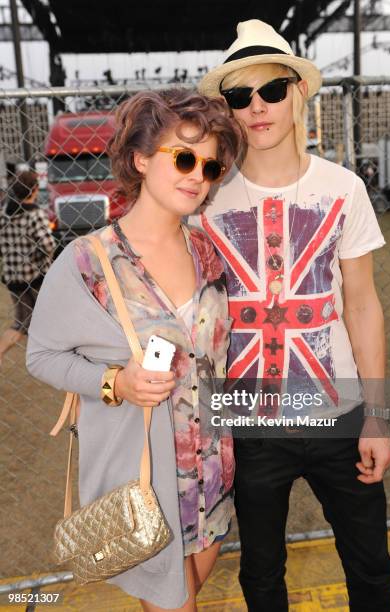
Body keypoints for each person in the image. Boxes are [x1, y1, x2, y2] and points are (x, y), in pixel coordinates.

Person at [191, 19, 390, 612]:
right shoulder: (204, 199)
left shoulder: (344, 189)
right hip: (249, 420)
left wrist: (378, 417)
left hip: (341, 411)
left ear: (297, 94)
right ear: (227, 109)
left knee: (370, 566)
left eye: (271, 91)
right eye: (238, 96)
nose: (256, 108)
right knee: (260, 573)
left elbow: (362, 304)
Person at [26, 89, 243, 611]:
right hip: (146, 475)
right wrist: (115, 383)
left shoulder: (208, 251)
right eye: (185, 157)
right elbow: (43, 355)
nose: (198, 175)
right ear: (141, 158)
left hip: (214, 469)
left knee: (188, 588)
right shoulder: (89, 261)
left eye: (211, 167)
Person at [0, 170, 55, 366]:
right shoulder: (35, 214)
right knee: (49, 315)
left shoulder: (4, 214)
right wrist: (40, 259)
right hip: (35, 276)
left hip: (14, 277)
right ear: (34, 189)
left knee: (23, 322)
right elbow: (48, 244)